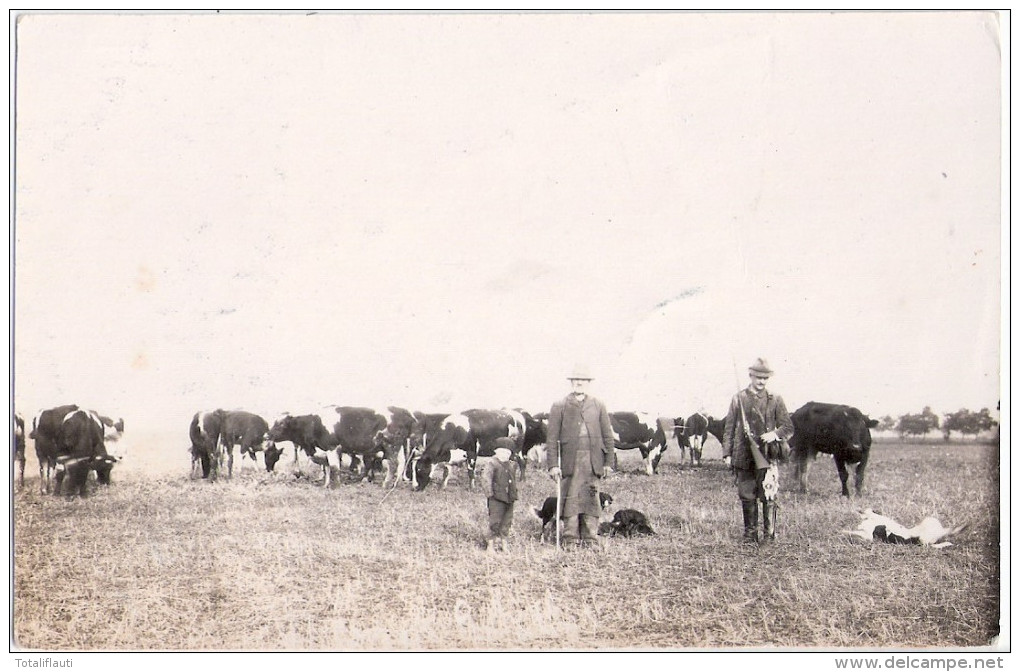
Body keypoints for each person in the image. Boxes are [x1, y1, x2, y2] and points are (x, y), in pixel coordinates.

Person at [722, 358, 794, 543]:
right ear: (751, 376)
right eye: (758, 377)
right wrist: (727, 453)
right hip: (743, 454)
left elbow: (788, 427)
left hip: (768, 454)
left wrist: (774, 434)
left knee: (769, 494)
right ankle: (750, 535)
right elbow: (729, 428)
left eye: (765, 378)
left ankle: (769, 536)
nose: (761, 382)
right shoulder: (738, 398)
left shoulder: (775, 399)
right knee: (746, 494)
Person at [546, 363, 615, 547]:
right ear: (571, 382)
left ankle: (590, 538)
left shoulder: (598, 405)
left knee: (591, 498)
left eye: (583, 380)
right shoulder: (559, 405)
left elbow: (607, 435)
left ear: (588, 382)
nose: (579, 383)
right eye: (576, 379)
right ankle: (570, 538)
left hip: (593, 461)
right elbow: (551, 438)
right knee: (571, 498)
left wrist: (608, 462)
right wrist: (553, 465)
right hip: (570, 461)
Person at [481, 437, 519, 552]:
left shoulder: (511, 465)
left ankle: (504, 543)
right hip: (496, 498)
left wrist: (514, 492)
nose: (504, 455)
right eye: (502, 452)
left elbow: (512, 480)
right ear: (496, 452)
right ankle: (490, 545)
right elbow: (486, 478)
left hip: (509, 498)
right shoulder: (492, 463)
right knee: (495, 521)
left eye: (507, 453)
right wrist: (490, 494)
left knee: (507, 521)